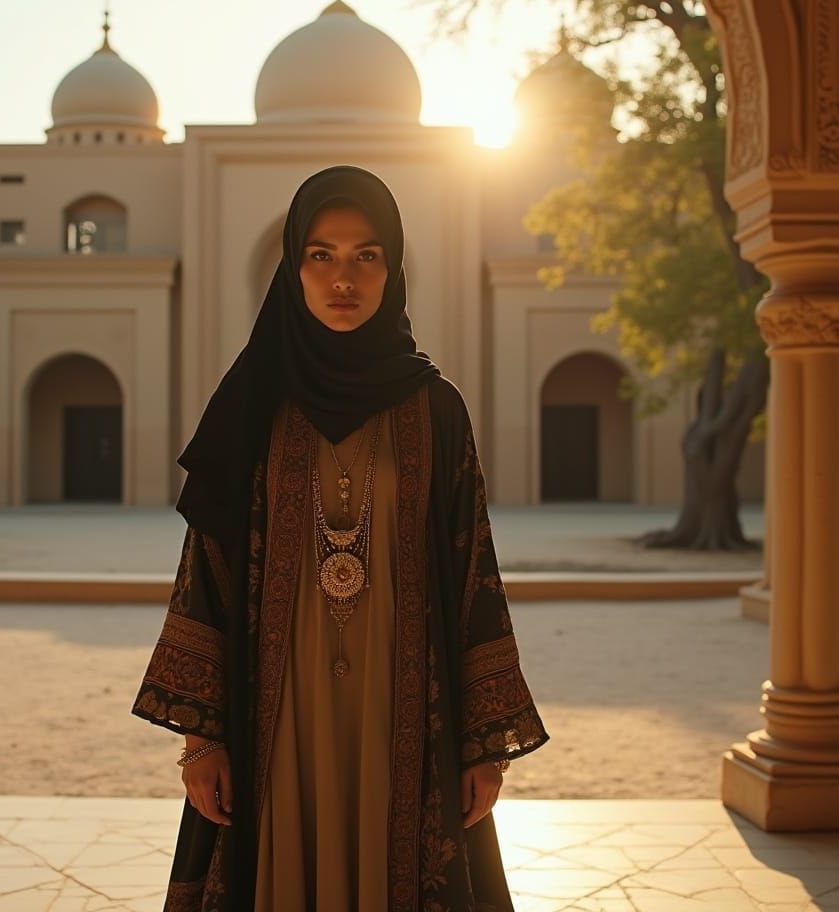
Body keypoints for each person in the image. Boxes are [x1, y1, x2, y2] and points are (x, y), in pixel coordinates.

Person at [131, 165, 549, 911]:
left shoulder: (438, 409)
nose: (343, 278)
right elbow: (207, 570)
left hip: (407, 716)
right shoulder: (252, 404)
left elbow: (473, 570)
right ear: (292, 268)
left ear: (393, 267)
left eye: (367, 255)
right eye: (320, 255)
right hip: (276, 715)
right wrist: (202, 740)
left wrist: (485, 744)